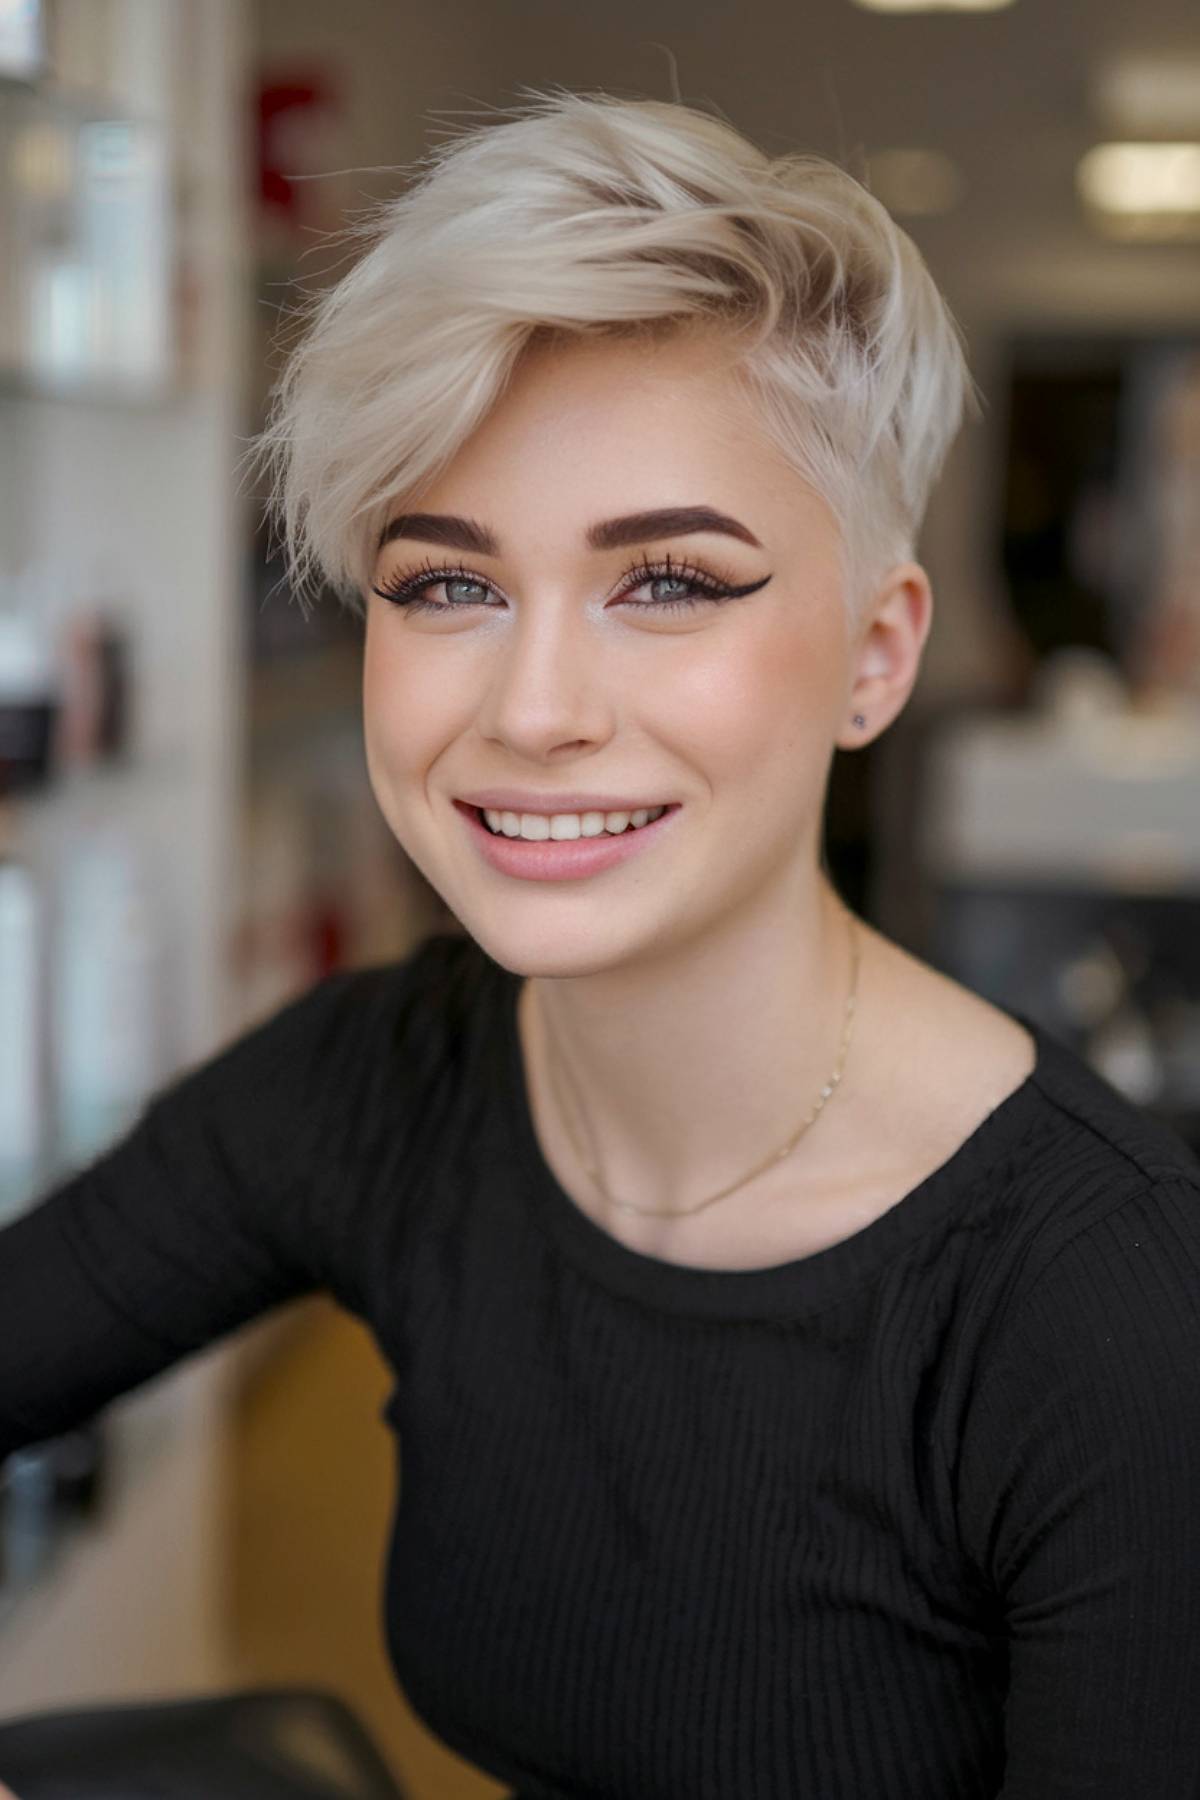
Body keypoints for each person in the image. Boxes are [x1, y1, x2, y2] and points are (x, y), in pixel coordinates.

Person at [3, 90, 1199, 1800]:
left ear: (877, 654)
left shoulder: (1102, 1307)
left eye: (672, 584)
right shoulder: (386, 1083)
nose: (534, 711)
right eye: (446, 587)